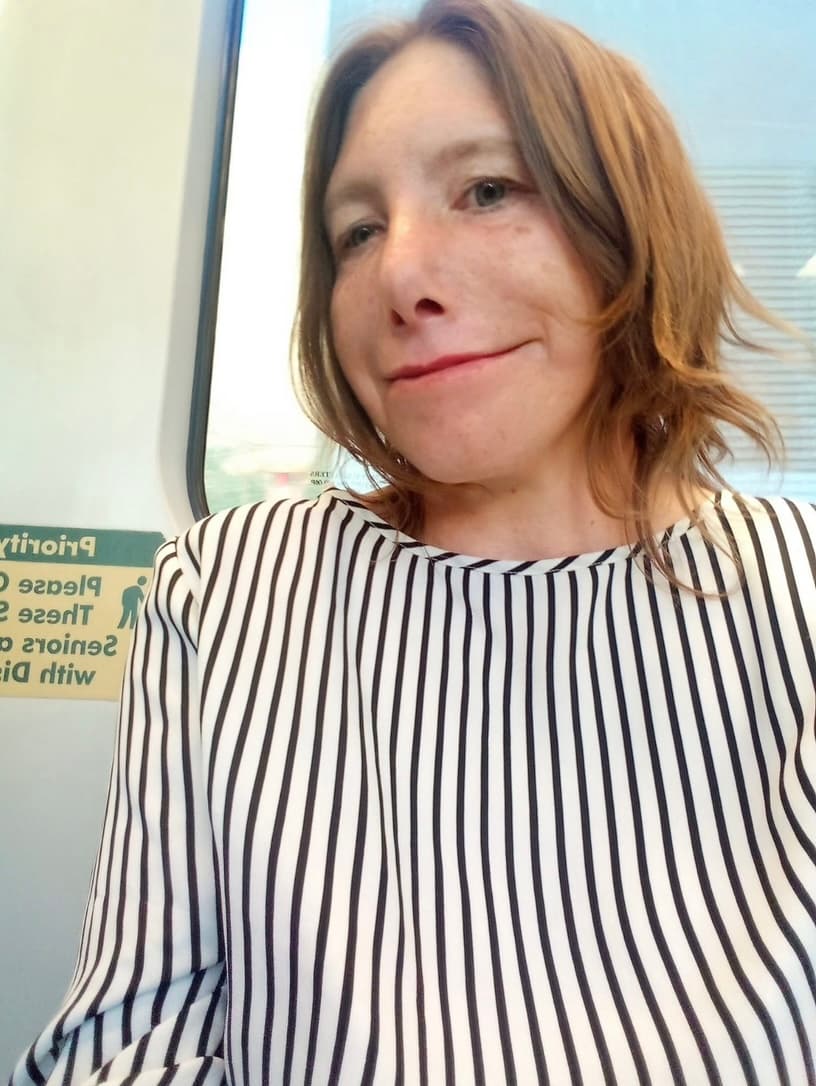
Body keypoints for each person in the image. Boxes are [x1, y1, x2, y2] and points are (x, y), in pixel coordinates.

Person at [11, 0, 816, 1082]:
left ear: (630, 223)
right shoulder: (225, 593)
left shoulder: (801, 595)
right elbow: (129, 1046)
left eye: (486, 190)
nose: (398, 276)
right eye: (357, 232)